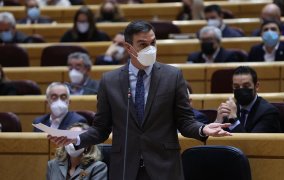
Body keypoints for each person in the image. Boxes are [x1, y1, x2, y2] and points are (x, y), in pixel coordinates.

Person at [49, 20, 231, 180]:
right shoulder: (110, 81)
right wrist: (76, 138)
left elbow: (185, 121)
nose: (150, 49)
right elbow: (101, 129)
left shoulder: (172, 76)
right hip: (126, 167)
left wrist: (202, 128)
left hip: (164, 166)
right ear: (129, 48)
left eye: (153, 43)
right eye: (143, 44)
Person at [215, 66, 281, 133]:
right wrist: (217, 121)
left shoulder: (269, 113)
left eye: (246, 86)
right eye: (236, 86)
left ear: (256, 86)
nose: (241, 89)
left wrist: (234, 120)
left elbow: (250, 142)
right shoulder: (229, 110)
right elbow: (213, 141)